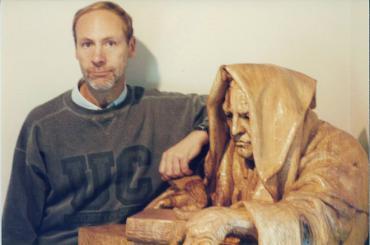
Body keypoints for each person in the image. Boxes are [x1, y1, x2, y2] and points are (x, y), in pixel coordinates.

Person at [2, 1, 209, 244]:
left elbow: (230, 100)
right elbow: (17, 228)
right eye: (87, 44)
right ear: (76, 50)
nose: (98, 58)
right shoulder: (43, 125)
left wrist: (199, 134)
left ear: (130, 47)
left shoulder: (162, 109)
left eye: (110, 43)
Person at [183, 64, 368, 244]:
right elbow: (210, 191)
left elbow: (316, 221)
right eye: (230, 116)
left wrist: (232, 219)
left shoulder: (338, 149)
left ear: (279, 114)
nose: (235, 130)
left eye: (247, 116)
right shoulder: (238, 150)